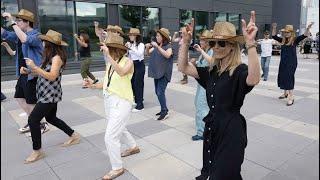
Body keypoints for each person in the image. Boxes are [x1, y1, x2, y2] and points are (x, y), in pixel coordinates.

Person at [178, 11, 260, 179]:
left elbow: (254, 78)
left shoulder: (239, 71)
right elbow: (183, 68)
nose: (216, 46)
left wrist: (250, 44)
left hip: (231, 132)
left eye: (221, 43)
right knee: (212, 171)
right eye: (213, 42)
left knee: (224, 175)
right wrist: (185, 43)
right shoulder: (212, 71)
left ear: (232, 46)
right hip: (212, 129)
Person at [85, 33, 140, 180]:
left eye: (107, 48)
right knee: (119, 127)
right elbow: (107, 82)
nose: (104, 49)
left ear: (115, 49)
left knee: (110, 136)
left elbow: (121, 73)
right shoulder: (110, 63)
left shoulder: (128, 61)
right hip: (109, 100)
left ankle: (117, 168)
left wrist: (108, 56)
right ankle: (133, 147)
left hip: (122, 102)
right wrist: (93, 85)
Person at [23, 29, 81, 164]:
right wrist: (29, 71)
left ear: (50, 44)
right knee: (51, 118)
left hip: (50, 95)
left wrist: (34, 67)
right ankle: (74, 135)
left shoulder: (57, 58)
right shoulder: (49, 56)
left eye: (44, 41)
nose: (42, 43)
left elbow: (52, 75)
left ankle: (37, 151)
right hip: (46, 93)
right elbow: (44, 72)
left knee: (33, 120)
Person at [1, 9, 49, 134]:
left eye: (19, 21)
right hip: (22, 73)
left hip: (32, 74)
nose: (17, 23)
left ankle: (41, 124)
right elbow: (5, 34)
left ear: (27, 22)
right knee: (19, 97)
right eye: (16, 20)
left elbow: (25, 40)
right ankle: (33, 120)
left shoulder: (36, 35)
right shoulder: (19, 34)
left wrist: (11, 21)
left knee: (31, 101)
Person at [272, 22, 314, 106]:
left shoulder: (295, 39)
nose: (286, 33)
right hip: (283, 62)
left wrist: (308, 28)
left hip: (291, 63)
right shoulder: (283, 40)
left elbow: (304, 35)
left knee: (289, 77)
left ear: (291, 33)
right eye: (285, 32)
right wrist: (274, 28)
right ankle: (285, 93)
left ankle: (291, 97)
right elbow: (274, 36)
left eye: (288, 32)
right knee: (283, 76)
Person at [190, 29, 214, 141]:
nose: (200, 42)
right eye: (200, 40)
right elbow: (201, 66)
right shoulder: (203, 53)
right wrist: (195, 63)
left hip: (208, 83)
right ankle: (207, 129)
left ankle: (202, 133)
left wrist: (200, 51)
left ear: (208, 42)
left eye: (202, 40)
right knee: (199, 104)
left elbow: (211, 62)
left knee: (201, 106)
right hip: (202, 83)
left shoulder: (211, 51)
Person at [146, 28, 173, 120]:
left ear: (163, 37)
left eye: (158, 36)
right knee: (158, 92)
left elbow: (168, 55)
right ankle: (163, 109)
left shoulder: (168, 46)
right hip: (157, 72)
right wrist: (147, 47)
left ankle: (165, 111)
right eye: (156, 35)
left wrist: (157, 47)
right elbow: (148, 54)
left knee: (160, 92)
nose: (156, 37)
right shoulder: (157, 45)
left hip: (164, 73)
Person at [125, 28, 146, 112]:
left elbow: (139, 54)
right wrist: (127, 49)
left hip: (139, 65)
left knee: (138, 84)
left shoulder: (141, 44)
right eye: (129, 35)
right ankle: (137, 100)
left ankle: (140, 105)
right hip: (132, 64)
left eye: (131, 35)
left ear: (136, 36)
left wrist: (130, 48)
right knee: (132, 83)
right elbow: (129, 56)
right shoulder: (131, 44)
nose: (130, 36)